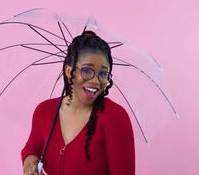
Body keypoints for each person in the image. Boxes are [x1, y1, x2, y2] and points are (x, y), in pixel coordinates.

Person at [21, 31, 135, 175]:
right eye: (87, 71)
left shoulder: (115, 117)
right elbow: (31, 149)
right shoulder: (44, 111)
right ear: (69, 71)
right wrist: (30, 161)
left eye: (103, 74)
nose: (95, 81)